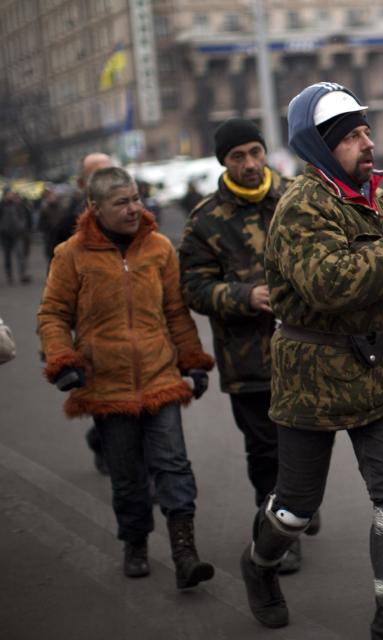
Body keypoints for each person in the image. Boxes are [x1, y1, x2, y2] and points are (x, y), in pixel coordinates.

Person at [238, 82, 383, 639]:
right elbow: (328, 282)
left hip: (380, 371)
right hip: (313, 381)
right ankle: (259, 567)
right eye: (352, 136)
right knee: (296, 510)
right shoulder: (299, 206)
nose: (367, 143)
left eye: (366, 131)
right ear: (321, 146)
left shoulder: (380, 200)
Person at [37, 167, 216, 588]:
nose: (134, 208)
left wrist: (192, 359)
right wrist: (62, 359)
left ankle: (185, 552)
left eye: (136, 198)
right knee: (128, 477)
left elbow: (175, 311)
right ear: (95, 208)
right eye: (122, 202)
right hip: (106, 385)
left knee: (173, 465)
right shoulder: (70, 255)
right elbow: (53, 315)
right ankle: (135, 541)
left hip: (159, 376)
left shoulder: (159, 249)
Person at [179, 118, 317, 576]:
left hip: (306, 352)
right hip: (248, 362)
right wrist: (243, 297)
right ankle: (278, 532)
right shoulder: (205, 221)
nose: (250, 164)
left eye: (255, 152)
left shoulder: (297, 197)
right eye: (238, 156)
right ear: (224, 162)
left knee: (307, 444)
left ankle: (299, 504)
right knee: (266, 452)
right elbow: (193, 288)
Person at [55, 152, 115, 476]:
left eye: (111, 171)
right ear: (82, 183)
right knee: (103, 395)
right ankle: (101, 441)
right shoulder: (67, 220)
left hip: (134, 318)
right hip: (90, 325)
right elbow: (57, 289)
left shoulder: (132, 207)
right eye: (97, 175)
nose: (107, 179)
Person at [1, 187, 32, 285]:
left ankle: (22, 274)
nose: (11, 195)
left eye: (11, 193)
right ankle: (9, 275)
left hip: (17, 234)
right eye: (9, 193)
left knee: (20, 255)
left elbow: (23, 216)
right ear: (5, 194)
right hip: (5, 234)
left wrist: (21, 226)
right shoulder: (1, 205)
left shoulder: (17, 205)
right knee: (7, 256)